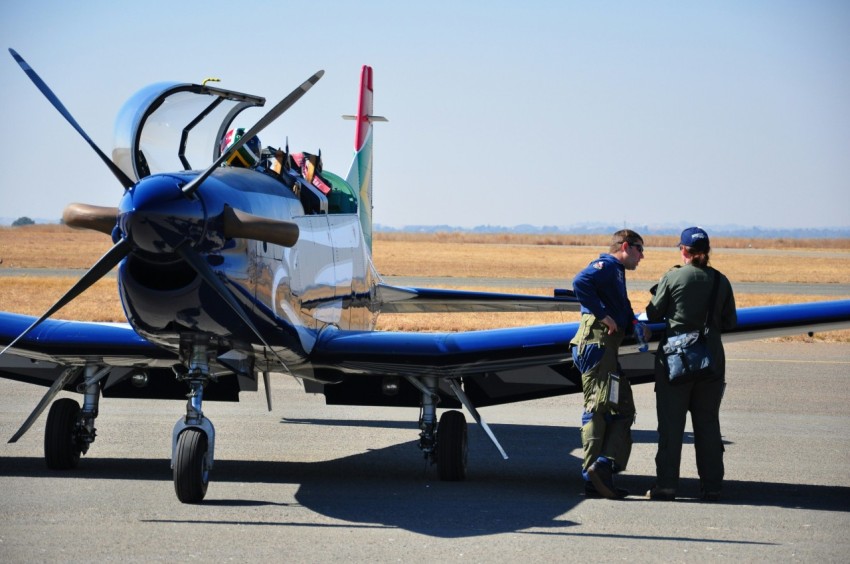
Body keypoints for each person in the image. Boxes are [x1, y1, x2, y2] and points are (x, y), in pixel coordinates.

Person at [644, 227, 737, 501]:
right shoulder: (721, 280)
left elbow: (652, 313)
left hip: (676, 361)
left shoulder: (673, 277)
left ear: (683, 250)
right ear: (707, 252)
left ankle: (667, 485)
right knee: (708, 424)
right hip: (712, 361)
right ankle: (712, 486)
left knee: (671, 426)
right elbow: (731, 322)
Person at [570, 229, 649, 499]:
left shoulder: (616, 272)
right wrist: (602, 315)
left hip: (607, 347)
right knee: (598, 407)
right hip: (597, 343)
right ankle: (592, 476)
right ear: (625, 246)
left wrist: (635, 322)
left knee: (624, 408)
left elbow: (622, 305)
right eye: (639, 249)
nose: (642, 256)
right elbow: (580, 282)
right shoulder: (605, 266)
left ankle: (604, 467)